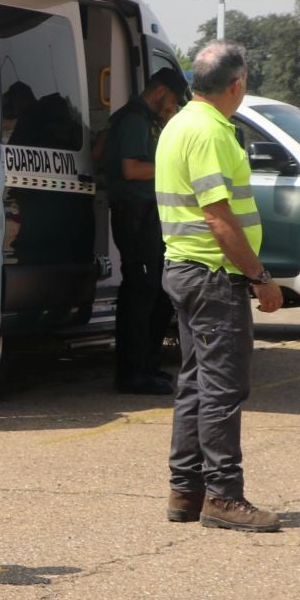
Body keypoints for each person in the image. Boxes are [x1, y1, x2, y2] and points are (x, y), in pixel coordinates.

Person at [154, 41, 283, 532]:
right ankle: (223, 496)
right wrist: (259, 277)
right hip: (212, 275)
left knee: (196, 383)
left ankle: (186, 489)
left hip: (185, 269)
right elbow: (217, 215)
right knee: (222, 388)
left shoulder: (180, 124)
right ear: (237, 83)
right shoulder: (209, 131)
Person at [103, 68, 189, 394]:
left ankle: (148, 367)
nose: (172, 108)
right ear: (160, 91)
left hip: (147, 217)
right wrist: (175, 168)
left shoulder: (146, 119)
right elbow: (131, 168)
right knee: (139, 294)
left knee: (154, 293)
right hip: (134, 216)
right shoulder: (134, 119)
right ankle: (132, 373)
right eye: (172, 101)